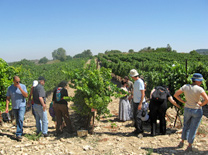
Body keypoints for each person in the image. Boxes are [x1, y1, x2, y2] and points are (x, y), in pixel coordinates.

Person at [174, 73, 208, 152]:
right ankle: (189, 145)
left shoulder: (185, 87)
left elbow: (176, 94)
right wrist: (201, 104)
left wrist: (183, 101)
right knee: (193, 127)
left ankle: (182, 141)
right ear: (197, 81)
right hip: (196, 110)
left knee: (186, 125)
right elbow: (207, 99)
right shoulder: (199, 89)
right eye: (200, 81)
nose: (201, 82)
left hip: (187, 109)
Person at [6, 76, 28, 141]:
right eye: (17, 82)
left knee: (21, 118)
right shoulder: (10, 88)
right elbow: (8, 98)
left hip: (22, 105)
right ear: (13, 81)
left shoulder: (23, 86)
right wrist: (7, 107)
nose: (18, 82)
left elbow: (26, 95)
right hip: (14, 106)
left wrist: (20, 89)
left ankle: (18, 134)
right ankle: (20, 130)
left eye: (19, 81)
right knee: (17, 119)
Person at [129, 69, 146, 138]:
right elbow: (134, 90)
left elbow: (143, 94)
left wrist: (140, 104)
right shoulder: (135, 82)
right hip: (135, 101)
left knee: (138, 117)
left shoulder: (140, 82)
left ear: (133, 76)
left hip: (139, 102)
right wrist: (132, 95)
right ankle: (136, 129)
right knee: (135, 116)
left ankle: (140, 132)